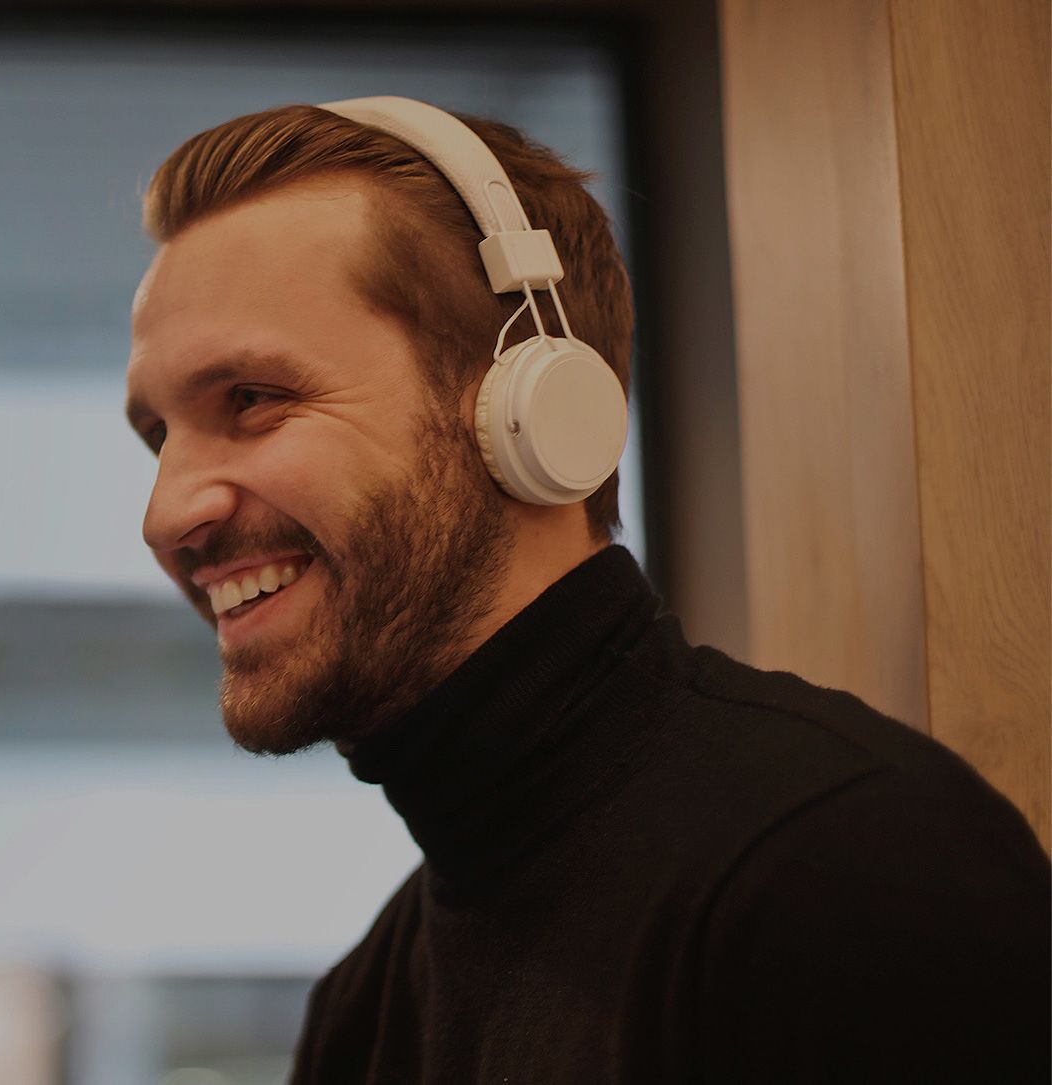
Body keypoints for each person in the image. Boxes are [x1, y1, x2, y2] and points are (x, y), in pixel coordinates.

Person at [121, 97, 1051, 1082]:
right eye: (158, 435)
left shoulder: (842, 865)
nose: (166, 514)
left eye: (253, 399)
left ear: (525, 404)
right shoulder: (365, 1007)